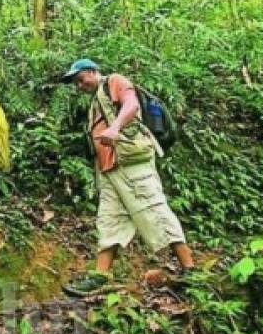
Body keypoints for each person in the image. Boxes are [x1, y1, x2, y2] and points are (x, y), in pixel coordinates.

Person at [60, 59, 193, 297]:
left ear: (92, 71)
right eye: (75, 83)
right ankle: (101, 277)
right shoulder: (96, 99)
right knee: (108, 220)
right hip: (110, 168)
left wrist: (116, 127)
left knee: (156, 210)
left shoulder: (115, 81)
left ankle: (191, 270)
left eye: (81, 79)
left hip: (132, 163)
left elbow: (130, 104)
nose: (79, 86)